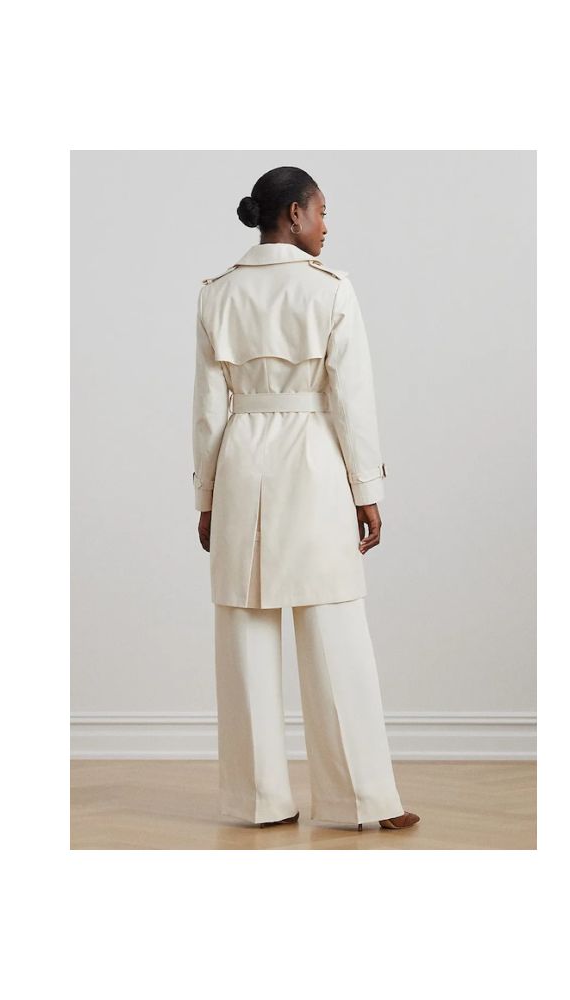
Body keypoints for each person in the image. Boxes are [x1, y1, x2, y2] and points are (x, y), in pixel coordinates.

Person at [192, 165, 420, 832]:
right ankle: (360, 801)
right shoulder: (331, 288)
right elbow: (352, 399)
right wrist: (366, 488)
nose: (326, 225)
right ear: (293, 214)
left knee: (245, 631)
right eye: (321, 212)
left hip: (241, 463)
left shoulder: (217, 293)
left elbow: (207, 409)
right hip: (315, 463)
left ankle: (256, 801)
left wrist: (206, 496)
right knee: (334, 631)